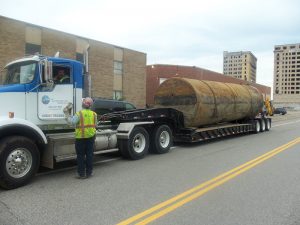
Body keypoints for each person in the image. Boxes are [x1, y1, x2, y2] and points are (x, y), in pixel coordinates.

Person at [63, 97, 97, 179]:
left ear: (84, 104)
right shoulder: (94, 114)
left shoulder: (79, 114)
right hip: (91, 137)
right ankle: (89, 173)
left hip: (80, 138)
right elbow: (95, 125)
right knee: (89, 155)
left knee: (80, 156)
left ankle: (81, 174)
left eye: (84, 101)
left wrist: (67, 114)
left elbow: (71, 122)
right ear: (90, 105)